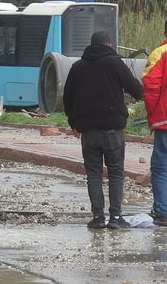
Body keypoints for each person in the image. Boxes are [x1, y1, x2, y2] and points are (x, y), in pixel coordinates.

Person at [63, 30, 143, 229]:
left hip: (88, 131)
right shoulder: (115, 63)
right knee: (116, 173)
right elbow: (136, 90)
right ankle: (115, 218)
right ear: (109, 45)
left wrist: (74, 123)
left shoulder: (77, 67)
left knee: (93, 174)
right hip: (112, 130)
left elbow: (67, 98)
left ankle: (98, 217)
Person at [143, 19, 167, 227]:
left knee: (161, 167)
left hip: (165, 122)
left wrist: (152, 116)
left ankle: (162, 211)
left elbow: (151, 87)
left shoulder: (160, 53)